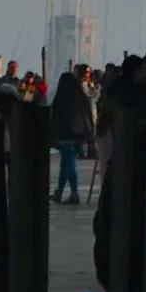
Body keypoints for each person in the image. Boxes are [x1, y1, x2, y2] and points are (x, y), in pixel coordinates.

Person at [50, 64, 95, 205]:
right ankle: (59, 191)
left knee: (69, 164)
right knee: (66, 163)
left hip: (65, 134)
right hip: (80, 135)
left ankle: (74, 192)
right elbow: (89, 116)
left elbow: (54, 119)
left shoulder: (60, 99)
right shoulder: (82, 98)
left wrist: (51, 136)